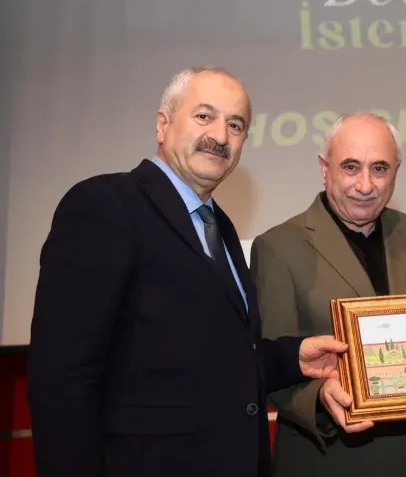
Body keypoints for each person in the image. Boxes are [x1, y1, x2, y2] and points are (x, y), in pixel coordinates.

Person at [27, 66, 348, 477]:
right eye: (204, 116)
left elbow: (206, 358)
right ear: (163, 124)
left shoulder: (219, 225)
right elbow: (63, 375)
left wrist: (292, 358)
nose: (220, 135)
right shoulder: (105, 205)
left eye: (236, 125)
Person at [250, 112, 406, 477]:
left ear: (396, 171)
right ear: (324, 168)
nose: (365, 185)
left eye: (379, 169)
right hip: (336, 458)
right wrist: (319, 395)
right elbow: (265, 362)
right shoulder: (278, 247)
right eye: (350, 167)